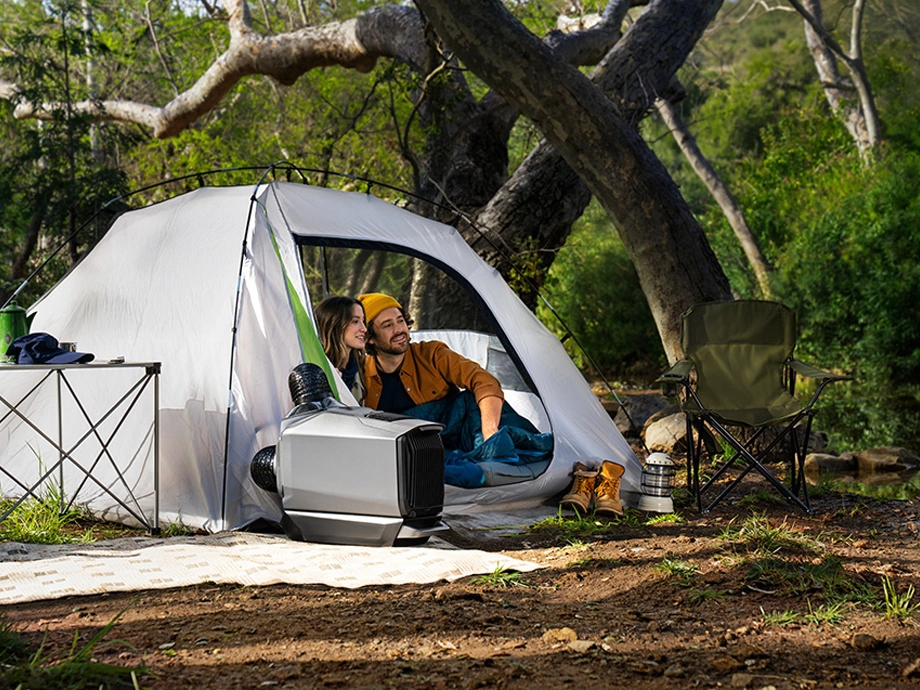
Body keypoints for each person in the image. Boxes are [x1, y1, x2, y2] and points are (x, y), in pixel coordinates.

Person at [358, 292, 504, 441]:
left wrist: (490, 431)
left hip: (453, 438)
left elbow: (484, 381)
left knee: (476, 404)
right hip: (404, 451)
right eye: (387, 325)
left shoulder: (432, 354)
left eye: (400, 321)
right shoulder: (361, 375)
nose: (399, 330)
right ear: (370, 338)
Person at [313, 295, 367, 403]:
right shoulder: (316, 372)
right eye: (355, 322)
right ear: (335, 325)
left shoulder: (359, 368)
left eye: (363, 321)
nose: (364, 329)